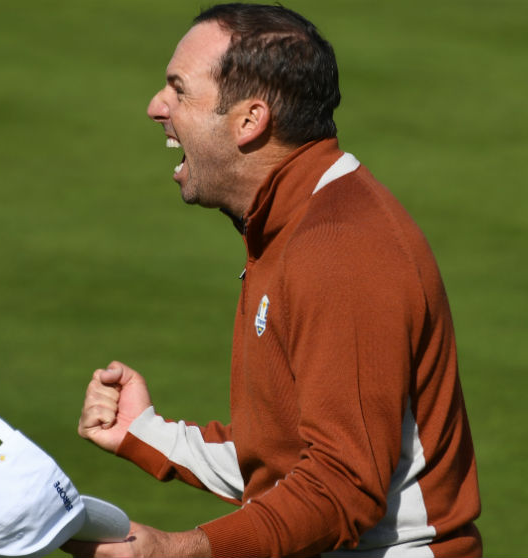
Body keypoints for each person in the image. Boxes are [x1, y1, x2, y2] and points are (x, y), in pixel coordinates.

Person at [65, 3, 481, 557]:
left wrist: (177, 550)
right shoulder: (288, 223)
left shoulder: (339, 248)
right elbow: (283, 460)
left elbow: (341, 487)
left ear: (249, 120)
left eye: (179, 90)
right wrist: (147, 434)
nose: (156, 107)